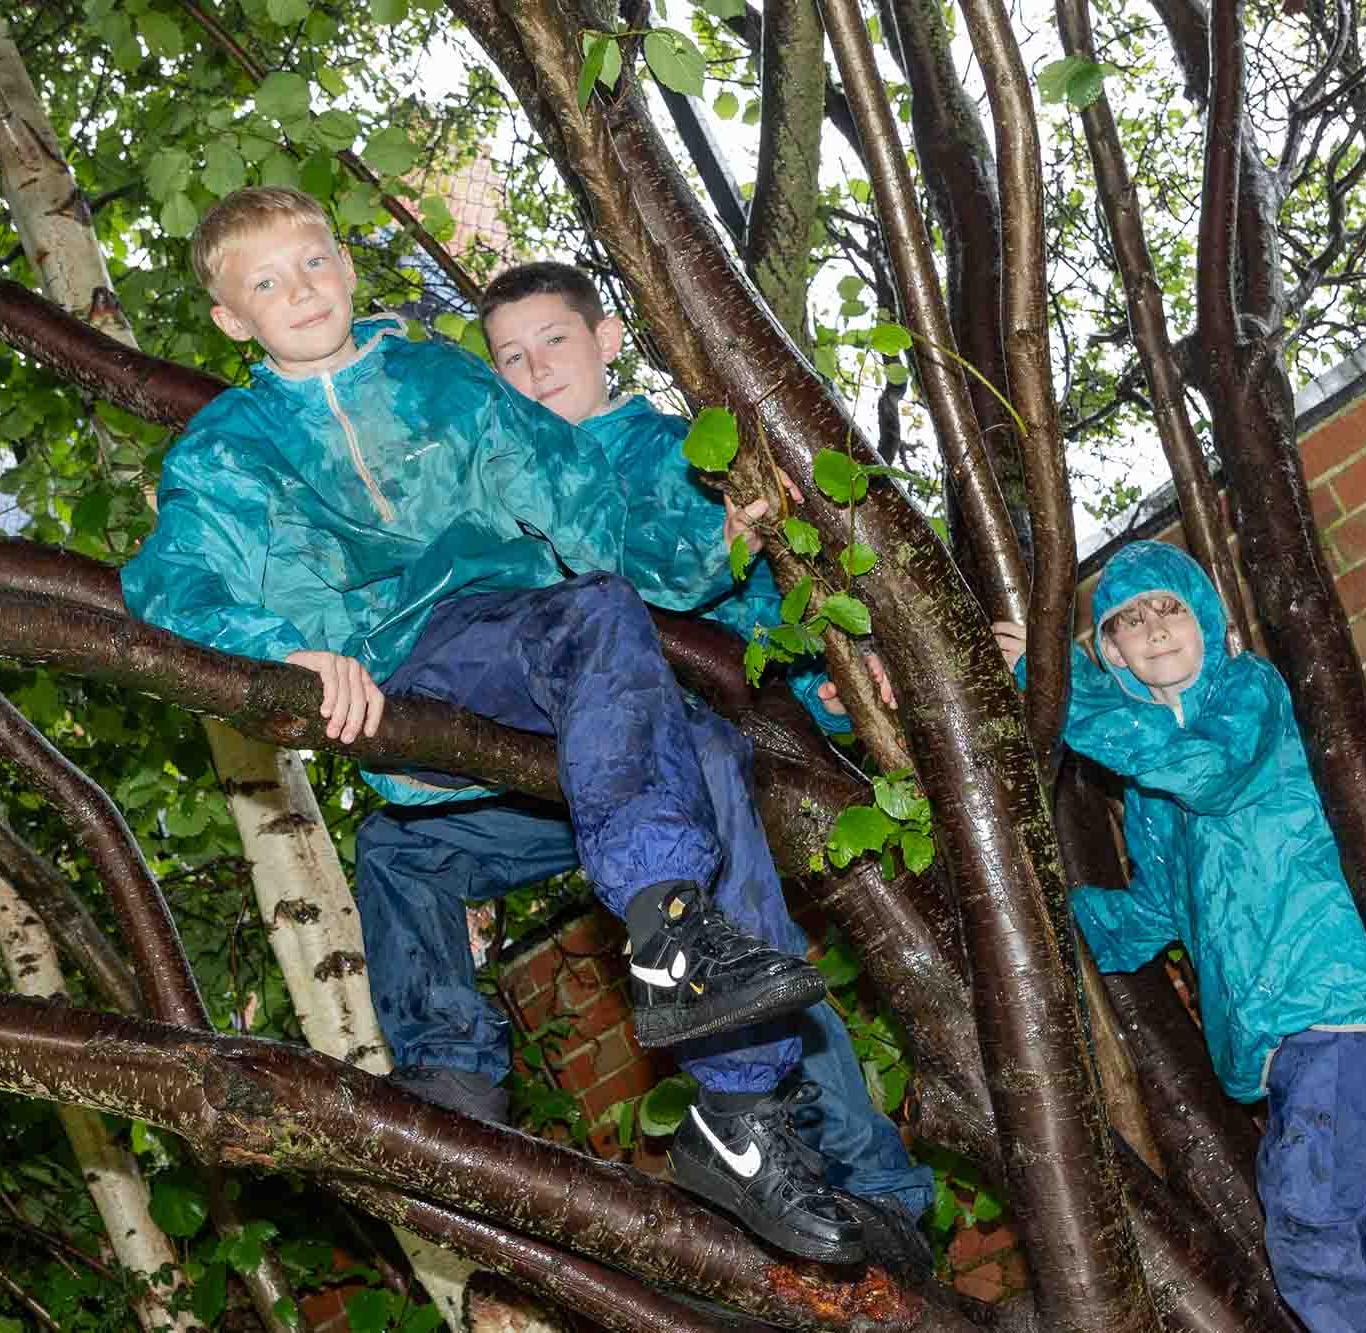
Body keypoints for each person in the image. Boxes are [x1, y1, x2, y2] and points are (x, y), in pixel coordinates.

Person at [121, 187, 870, 1266]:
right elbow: (170, 580)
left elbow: (584, 508)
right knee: (574, 660)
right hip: (398, 666)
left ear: (346, 267)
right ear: (232, 319)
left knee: (703, 751)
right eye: (267, 283)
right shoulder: (228, 452)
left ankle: (740, 1116)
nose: (303, 292)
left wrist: (711, 542)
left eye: (316, 262)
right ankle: (568, 995)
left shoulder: (443, 382)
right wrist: (278, 650)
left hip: (521, 655)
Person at [349, 260, 934, 1274]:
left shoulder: (675, 457)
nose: (532, 374)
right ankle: (448, 1075)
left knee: (737, 939)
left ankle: (857, 1173)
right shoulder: (493, 471)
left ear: (608, 336)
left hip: (673, 760)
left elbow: (763, 611)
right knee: (399, 845)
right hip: (559, 772)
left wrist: (823, 665)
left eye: (554, 345)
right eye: (510, 358)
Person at [996, 540, 1366, 1332]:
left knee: (1308, 1226)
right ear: (1112, 651)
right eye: (1129, 620)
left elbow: (1212, 773)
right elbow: (1152, 917)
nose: (1156, 628)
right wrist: (1033, 917)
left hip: (1333, 1009)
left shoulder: (1249, 694)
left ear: (1207, 619)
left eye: (1171, 607)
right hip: (1285, 1050)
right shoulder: (1149, 790)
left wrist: (1056, 689)